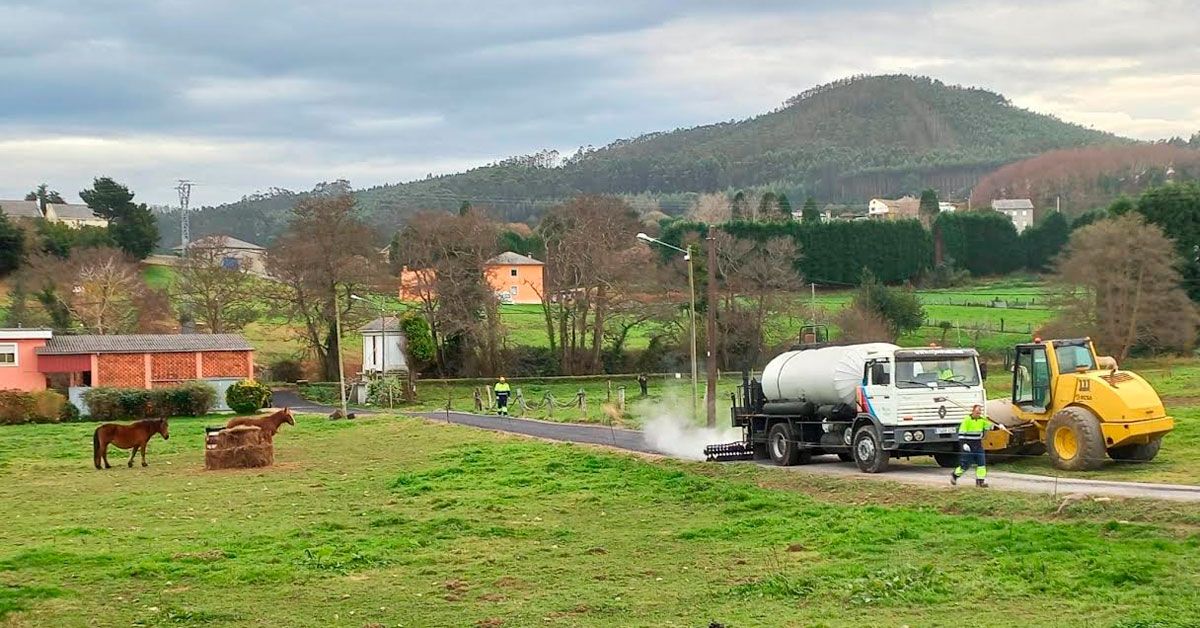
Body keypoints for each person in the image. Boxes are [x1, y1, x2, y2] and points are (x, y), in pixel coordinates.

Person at [950, 404, 1006, 488]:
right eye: (977, 412)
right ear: (973, 411)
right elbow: (961, 435)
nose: (978, 414)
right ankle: (955, 475)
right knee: (965, 465)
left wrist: (1000, 427)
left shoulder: (982, 420)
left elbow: (990, 427)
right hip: (968, 445)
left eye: (979, 412)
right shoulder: (967, 420)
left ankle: (980, 482)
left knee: (981, 463)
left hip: (978, 444)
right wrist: (964, 444)